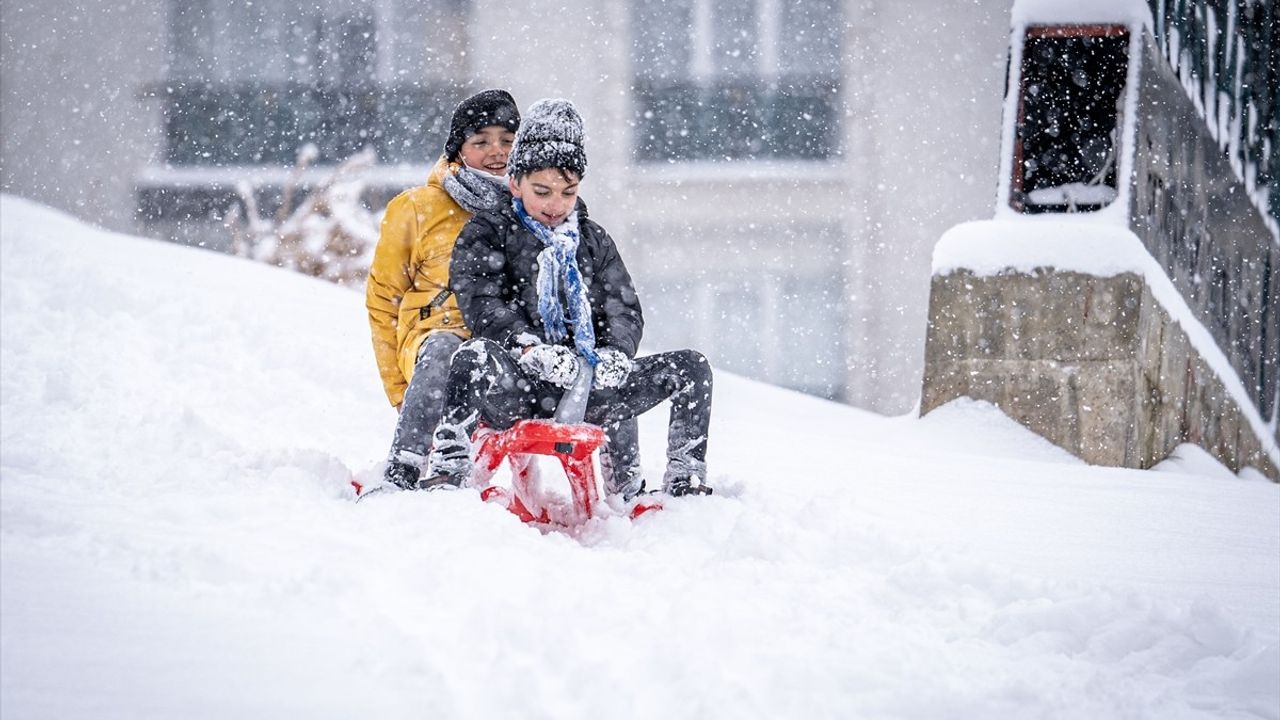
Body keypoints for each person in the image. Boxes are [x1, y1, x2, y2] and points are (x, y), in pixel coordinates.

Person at [423, 98, 714, 498]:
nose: (555, 206)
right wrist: (529, 349)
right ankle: (448, 471)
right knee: (471, 357)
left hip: (588, 386)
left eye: (567, 192)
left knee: (691, 367)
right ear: (515, 183)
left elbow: (623, 307)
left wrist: (616, 352)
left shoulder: (593, 240)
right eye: (542, 191)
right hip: (517, 388)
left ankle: (686, 479)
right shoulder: (487, 233)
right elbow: (481, 303)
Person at [366, 90, 643, 493]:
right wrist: (397, 389)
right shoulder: (418, 207)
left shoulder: (538, 207)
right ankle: (404, 470)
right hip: (441, 340)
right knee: (449, 348)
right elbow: (382, 300)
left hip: (515, 352)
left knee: (601, 368)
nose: (495, 152)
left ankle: (624, 489)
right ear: (458, 150)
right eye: (480, 142)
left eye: (506, 141)